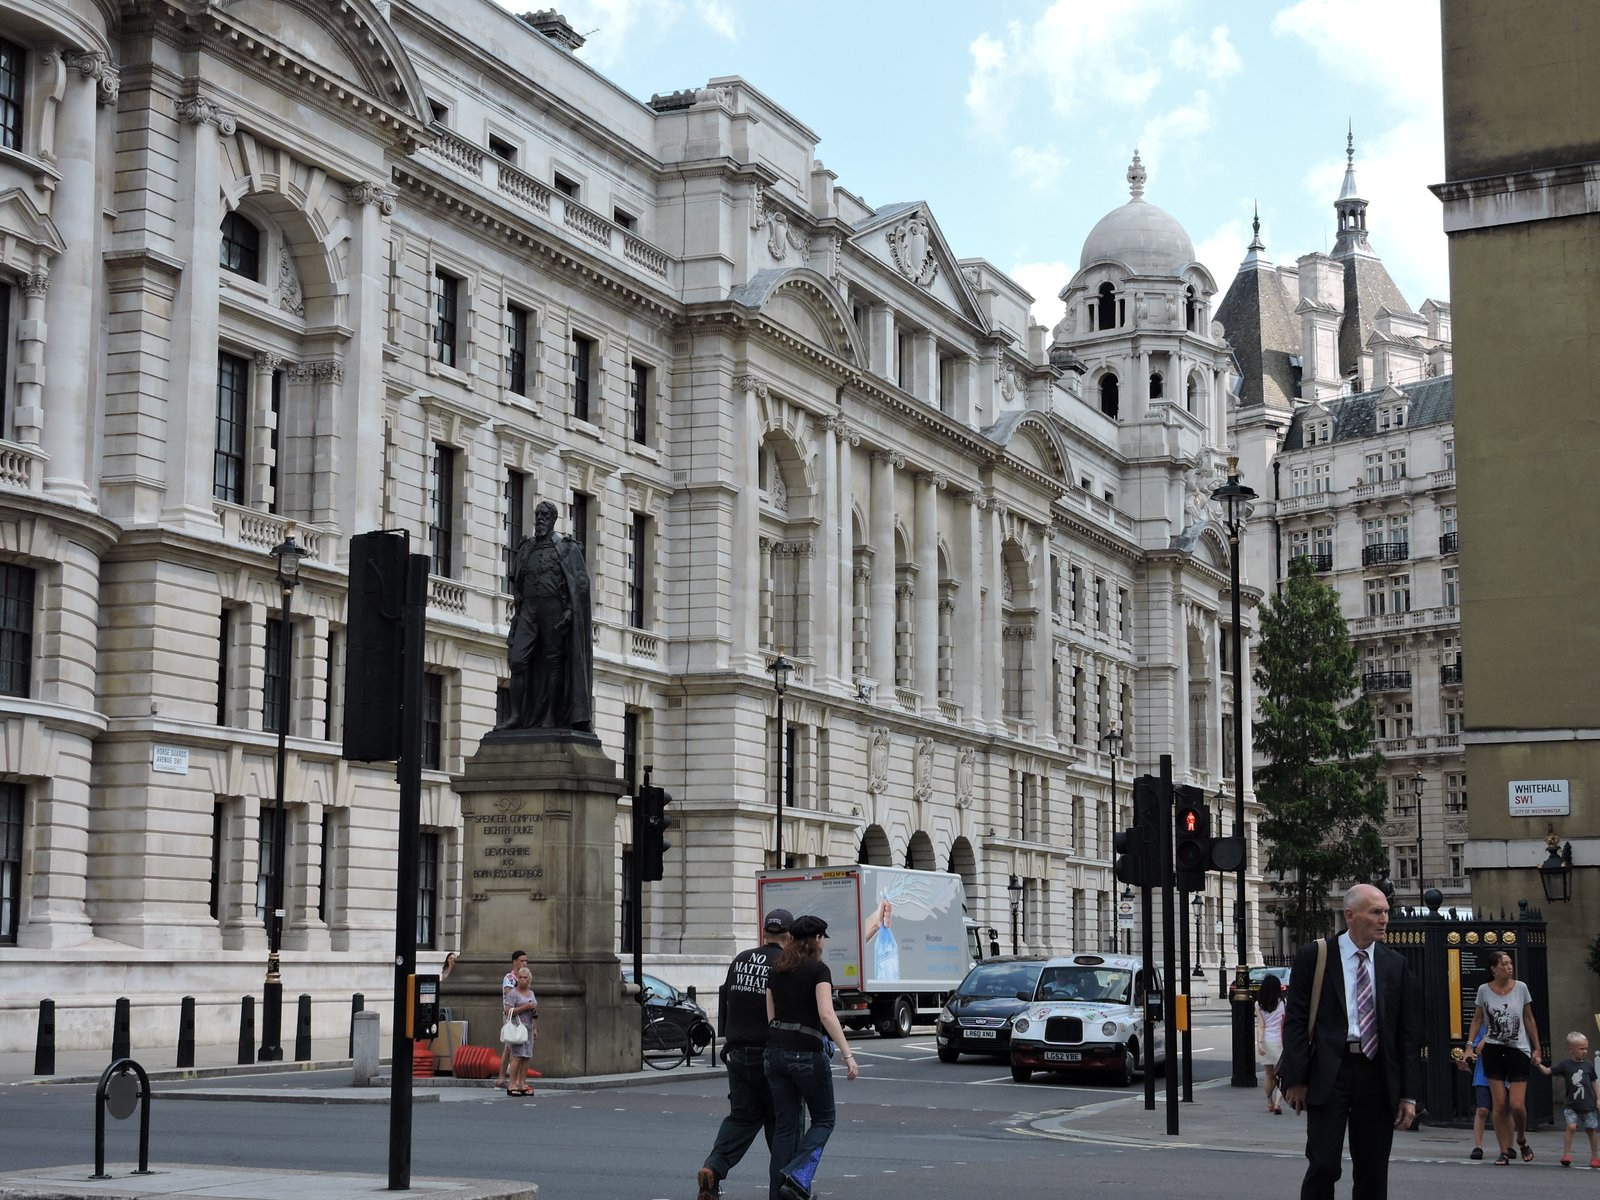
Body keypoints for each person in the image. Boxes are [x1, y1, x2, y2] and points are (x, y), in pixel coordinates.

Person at [1279, 883, 1423, 1200]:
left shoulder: (1394, 964)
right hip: (1330, 1070)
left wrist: (1408, 1095)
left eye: (1386, 912)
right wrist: (1296, 1078)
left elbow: (1406, 1034)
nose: (1384, 919)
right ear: (1350, 915)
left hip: (1376, 1073)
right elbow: (1296, 1021)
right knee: (1323, 1164)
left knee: (1373, 1170)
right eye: (1376, 912)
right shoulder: (1316, 956)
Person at [695, 908, 792, 1200]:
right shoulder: (784, 964)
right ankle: (788, 1185)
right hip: (769, 1052)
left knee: (742, 1118)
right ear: (788, 936)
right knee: (781, 1122)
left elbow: (726, 1001)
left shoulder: (740, 960)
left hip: (737, 1051)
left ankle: (713, 1168)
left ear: (764, 932)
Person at [764, 914, 859, 1200]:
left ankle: (778, 1194)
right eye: (822, 939)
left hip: (774, 1051)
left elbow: (770, 1015)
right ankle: (796, 1179)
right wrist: (848, 1054)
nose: (823, 944)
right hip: (805, 1052)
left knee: (785, 1127)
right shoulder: (819, 970)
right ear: (816, 939)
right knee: (824, 1119)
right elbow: (826, 1014)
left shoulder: (776, 968)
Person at [498, 499, 593, 732]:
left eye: (544, 515)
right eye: (537, 514)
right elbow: (517, 580)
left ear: (553, 520)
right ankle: (516, 716)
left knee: (553, 662)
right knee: (518, 660)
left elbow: (579, 586)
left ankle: (551, 715)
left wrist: (570, 610)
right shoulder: (526, 547)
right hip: (529, 610)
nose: (540, 518)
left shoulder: (566, 548)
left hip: (553, 610)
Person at [1462, 948, 1542, 1165]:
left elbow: (1529, 1019)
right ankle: (1504, 1150)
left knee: (1516, 1104)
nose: (1509, 967)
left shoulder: (1521, 988)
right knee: (1499, 1104)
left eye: (1510, 963)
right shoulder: (1483, 990)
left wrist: (1536, 1047)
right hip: (1494, 1049)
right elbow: (1477, 1019)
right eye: (1504, 964)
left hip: (1518, 1049)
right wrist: (1469, 1046)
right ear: (1493, 969)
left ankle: (1521, 1139)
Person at [1545, 1031, 1599, 1168]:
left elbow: (1594, 1082)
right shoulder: (1565, 1065)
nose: (1584, 1051)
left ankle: (1595, 1156)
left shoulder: (1588, 1065)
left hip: (1588, 1105)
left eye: (1586, 1048)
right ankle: (1567, 1154)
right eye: (1581, 1049)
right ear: (1571, 1049)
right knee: (1571, 1126)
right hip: (1571, 1105)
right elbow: (1548, 1071)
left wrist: (1598, 1099)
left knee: (1591, 1130)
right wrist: (1538, 1064)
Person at [1458, 1023, 1491, 1160]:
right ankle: (1478, 1146)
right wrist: (1488, 1035)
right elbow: (1479, 1050)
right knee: (1482, 1109)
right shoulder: (1481, 1027)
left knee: (1504, 1109)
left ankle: (1508, 1146)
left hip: (1503, 1072)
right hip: (1483, 1074)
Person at [503, 966, 537, 1096]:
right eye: (520, 977)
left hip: (528, 1027)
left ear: (529, 979)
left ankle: (522, 1083)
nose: (523, 980)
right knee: (517, 1056)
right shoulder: (513, 994)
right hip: (517, 1028)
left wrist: (535, 1028)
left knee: (526, 1056)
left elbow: (534, 1013)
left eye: (525, 978)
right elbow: (508, 1011)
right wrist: (525, 1006)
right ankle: (512, 1084)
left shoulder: (531, 993)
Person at [496, 950, 528, 1089]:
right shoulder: (509, 978)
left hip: (521, 1016)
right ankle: (506, 1079)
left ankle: (507, 1079)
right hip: (511, 1016)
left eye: (526, 961)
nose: (525, 963)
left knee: (512, 1048)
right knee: (510, 1047)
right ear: (515, 962)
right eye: (522, 960)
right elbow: (510, 996)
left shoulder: (522, 978)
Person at [1257, 973, 1286, 1114]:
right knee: (1282, 1074)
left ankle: (1269, 1102)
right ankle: (1277, 1103)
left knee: (1268, 1074)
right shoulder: (1283, 1003)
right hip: (1280, 1041)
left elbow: (1261, 1026)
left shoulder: (1259, 1005)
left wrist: (1259, 1043)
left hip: (1266, 1041)